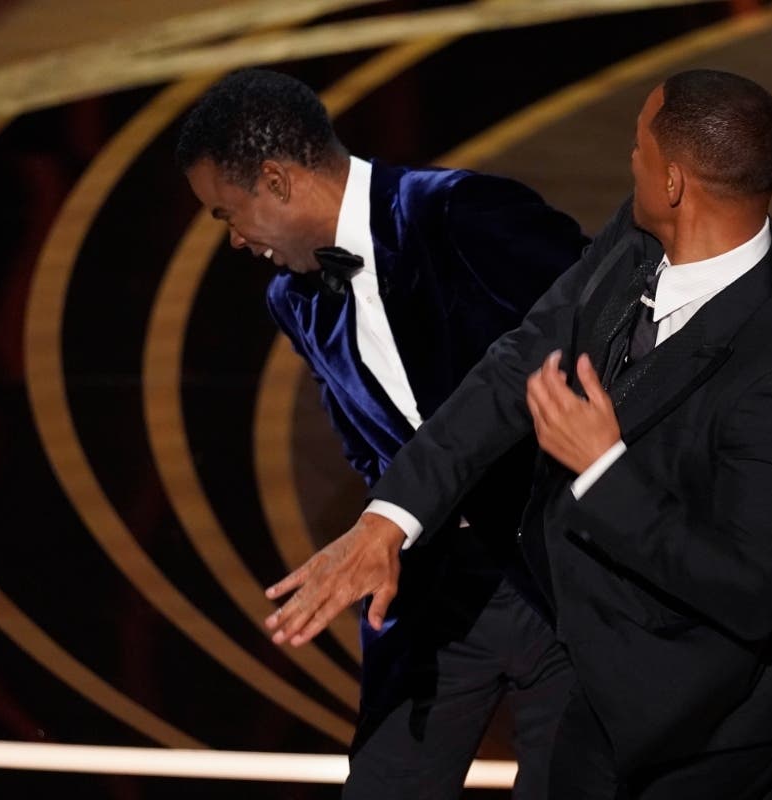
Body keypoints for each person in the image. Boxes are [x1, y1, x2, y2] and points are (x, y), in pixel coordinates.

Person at [265, 70, 772, 798]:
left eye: (638, 146)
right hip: (602, 690)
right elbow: (517, 361)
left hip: (717, 731)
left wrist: (603, 467)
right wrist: (390, 520)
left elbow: (748, 588)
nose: (629, 159)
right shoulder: (640, 237)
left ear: (674, 182)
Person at [177, 68, 590, 800]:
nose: (235, 240)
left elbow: (611, 347)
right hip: (431, 585)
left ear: (275, 179)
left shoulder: (464, 212)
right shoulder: (292, 300)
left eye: (225, 213)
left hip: (562, 574)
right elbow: (367, 446)